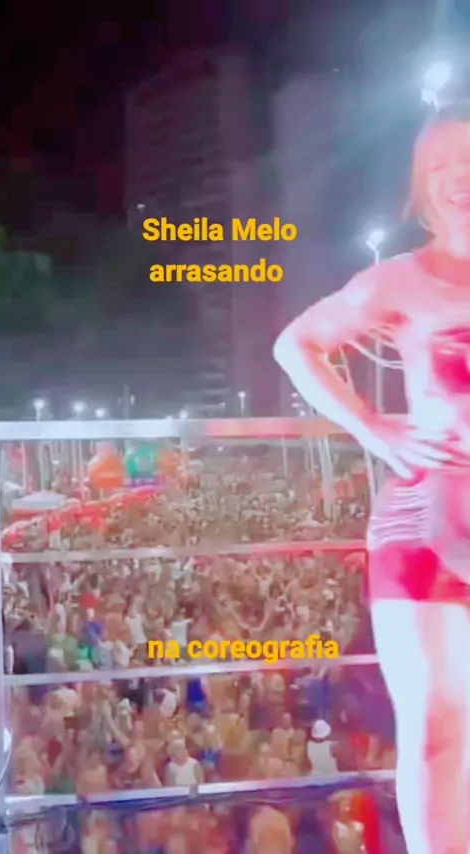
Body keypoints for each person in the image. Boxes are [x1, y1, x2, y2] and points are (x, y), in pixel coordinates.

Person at [274, 102, 470, 854]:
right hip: (427, 523)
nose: (457, 176)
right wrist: (374, 428)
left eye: (469, 158)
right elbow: (297, 346)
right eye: (439, 164)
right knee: (435, 726)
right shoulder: (399, 280)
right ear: (422, 186)